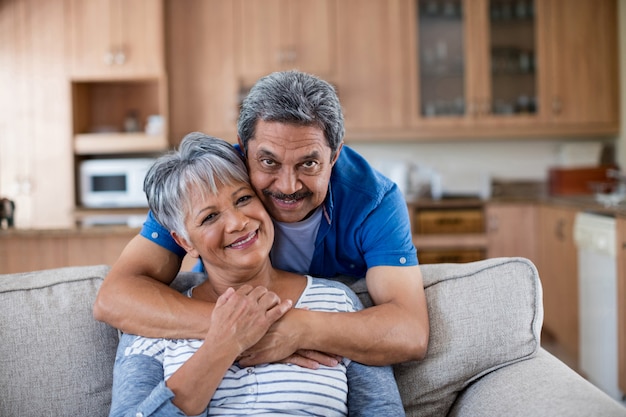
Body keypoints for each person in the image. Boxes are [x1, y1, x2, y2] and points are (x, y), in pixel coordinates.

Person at [94, 70, 429, 367]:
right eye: (268, 162)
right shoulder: (207, 180)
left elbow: (409, 332)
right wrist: (240, 328)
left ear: (335, 155)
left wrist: (297, 330)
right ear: (243, 149)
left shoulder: (375, 200)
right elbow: (115, 297)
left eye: (308, 164)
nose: (287, 186)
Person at [108, 133, 405, 416]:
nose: (238, 222)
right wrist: (224, 343)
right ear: (185, 242)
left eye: (242, 200)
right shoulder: (152, 320)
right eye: (210, 217)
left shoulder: (336, 301)